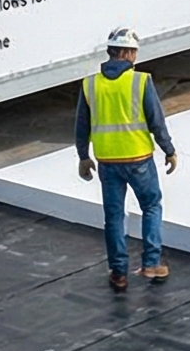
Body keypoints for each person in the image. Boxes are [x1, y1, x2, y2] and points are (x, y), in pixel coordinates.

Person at [76, 28, 178, 293]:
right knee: (152, 207)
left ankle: (118, 273)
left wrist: (83, 157)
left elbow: (81, 126)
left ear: (110, 51)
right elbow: (156, 121)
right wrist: (169, 149)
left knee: (113, 217)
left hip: (107, 161)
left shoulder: (90, 84)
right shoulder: (141, 81)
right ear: (129, 53)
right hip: (139, 159)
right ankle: (151, 264)